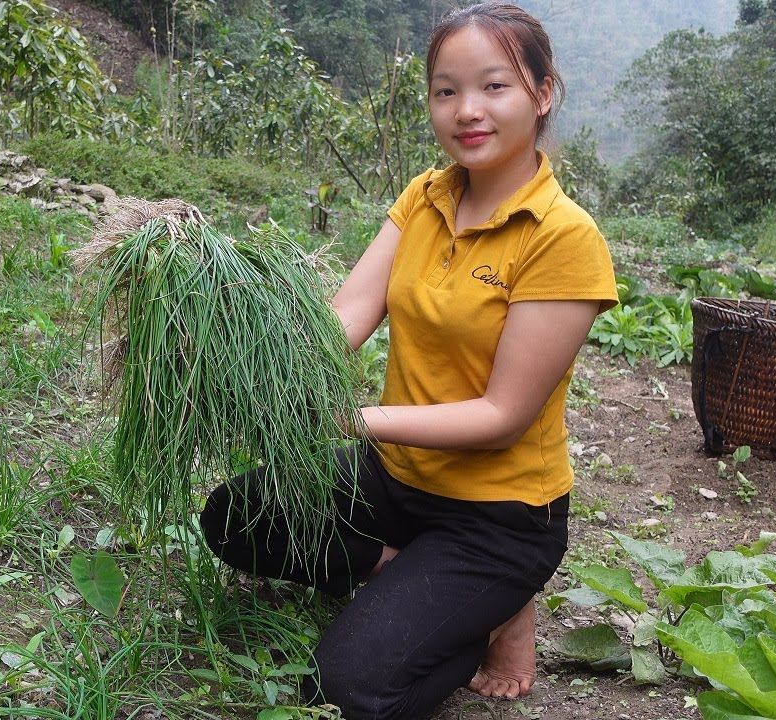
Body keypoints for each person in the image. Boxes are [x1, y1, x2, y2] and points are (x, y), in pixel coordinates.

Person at [198, 3, 619, 719]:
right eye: (445, 91)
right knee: (232, 516)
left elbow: (500, 417)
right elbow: (345, 320)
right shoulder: (423, 198)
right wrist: (245, 352)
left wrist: (348, 418)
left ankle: (492, 606)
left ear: (543, 93)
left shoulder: (563, 238)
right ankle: (413, 579)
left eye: (494, 87)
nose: (467, 111)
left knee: (347, 689)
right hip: (397, 481)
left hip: (499, 516)